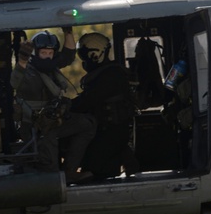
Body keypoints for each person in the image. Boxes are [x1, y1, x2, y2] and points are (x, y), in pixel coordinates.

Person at [10, 28, 96, 184]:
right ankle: (55, 179)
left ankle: (70, 171)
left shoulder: (51, 69)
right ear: (35, 53)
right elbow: (14, 81)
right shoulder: (28, 72)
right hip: (35, 126)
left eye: (50, 54)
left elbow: (68, 55)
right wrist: (22, 61)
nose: (47, 57)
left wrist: (68, 31)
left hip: (54, 121)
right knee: (50, 167)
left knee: (87, 124)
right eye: (43, 53)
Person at [71, 32, 139, 179]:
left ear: (95, 54)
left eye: (85, 56)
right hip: (108, 132)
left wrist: (67, 107)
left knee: (94, 172)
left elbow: (88, 101)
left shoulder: (111, 76)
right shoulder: (106, 74)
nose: (84, 62)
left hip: (110, 133)